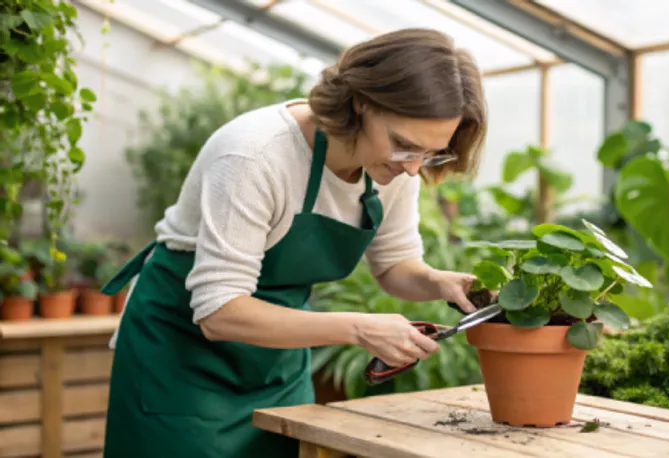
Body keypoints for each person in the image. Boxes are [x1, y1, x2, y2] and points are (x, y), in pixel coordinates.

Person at [100, 28, 487, 458]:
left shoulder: (393, 169)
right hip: (180, 360)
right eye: (404, 145)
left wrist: (439, 282)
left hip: (274, 360)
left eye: (431, 153)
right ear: (361, 102)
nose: (414, 168)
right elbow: (218, 311)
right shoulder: (255, 156)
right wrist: (359, 328)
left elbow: (395, 265)